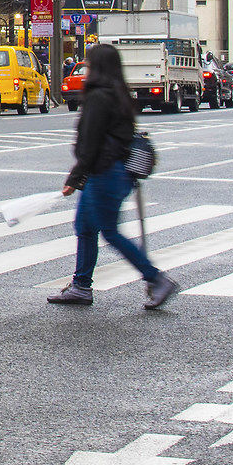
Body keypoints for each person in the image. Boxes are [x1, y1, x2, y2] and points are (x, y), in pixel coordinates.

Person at [48, 43, 178, 309]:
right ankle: (81, 286)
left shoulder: (99, 97)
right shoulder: (118, 93)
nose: (85, 66)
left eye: (89, 62)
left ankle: (156, 278)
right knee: (85, 227)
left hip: (105, 172)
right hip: (111, 171)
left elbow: (91, 142)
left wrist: (74, 178)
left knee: (109, 231)